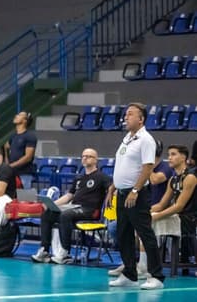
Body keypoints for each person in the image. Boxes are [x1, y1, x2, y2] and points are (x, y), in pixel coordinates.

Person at [107, 103, 164, 290]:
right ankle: (130, 274)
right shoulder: (127, 138)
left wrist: (135, 190)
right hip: (122, 193)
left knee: (145, 234)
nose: (125, 117)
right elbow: (123, 165)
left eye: (130, 114)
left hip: (136, 195)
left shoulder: (146, 140)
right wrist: (112, 188)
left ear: (141, 119)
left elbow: (147, 167)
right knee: (123, 234)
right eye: (125, 114)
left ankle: (156, 276)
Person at [32, 148, 111, 264]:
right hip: (73, 208)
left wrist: (109, 196)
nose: (85, 158)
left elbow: (111, 188)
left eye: (89, 156)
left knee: (65, 215)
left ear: (96, 160)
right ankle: (44, 250)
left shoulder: (101, 176)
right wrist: (52, 204)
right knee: (47, 214)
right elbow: (69, 196)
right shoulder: (79, 178)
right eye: (83, 156)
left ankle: (65, 253)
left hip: (90, 210)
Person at [150, 145, 197, 262]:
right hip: (176, 217)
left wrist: (156, 216)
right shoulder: (172, 179)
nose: (169, 158)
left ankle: (148, 262)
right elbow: (161, 204)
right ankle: (142, 261)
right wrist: (146, 211)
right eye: (169, 155)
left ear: (183, 158)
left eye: (173, 154)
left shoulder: (190, 177)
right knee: (140, 219)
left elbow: (179, 206)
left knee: (148, 222)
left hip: (189, 219)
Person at [4, 111, 37, 189]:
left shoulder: (30, 136)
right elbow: (6, 146)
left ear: (25, 120)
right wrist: (7, 162)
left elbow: (28, 157)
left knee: (23, 199)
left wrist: (11, 166)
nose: (16, 115)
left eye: (19, 115)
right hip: (12, 173)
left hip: (24, 174)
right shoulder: (13, 136)